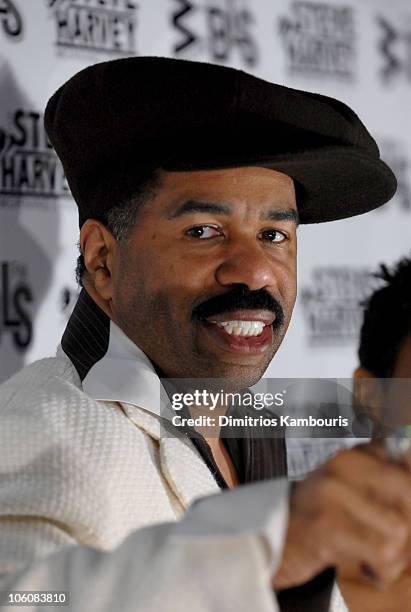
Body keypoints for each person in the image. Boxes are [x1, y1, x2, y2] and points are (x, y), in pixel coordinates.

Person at [1, 57, 411, 612]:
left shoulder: (255, 429)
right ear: (102, 262)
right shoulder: (33, 426)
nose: (256, 271)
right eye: (204, 231)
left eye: (273, 234)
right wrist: (269, 544)